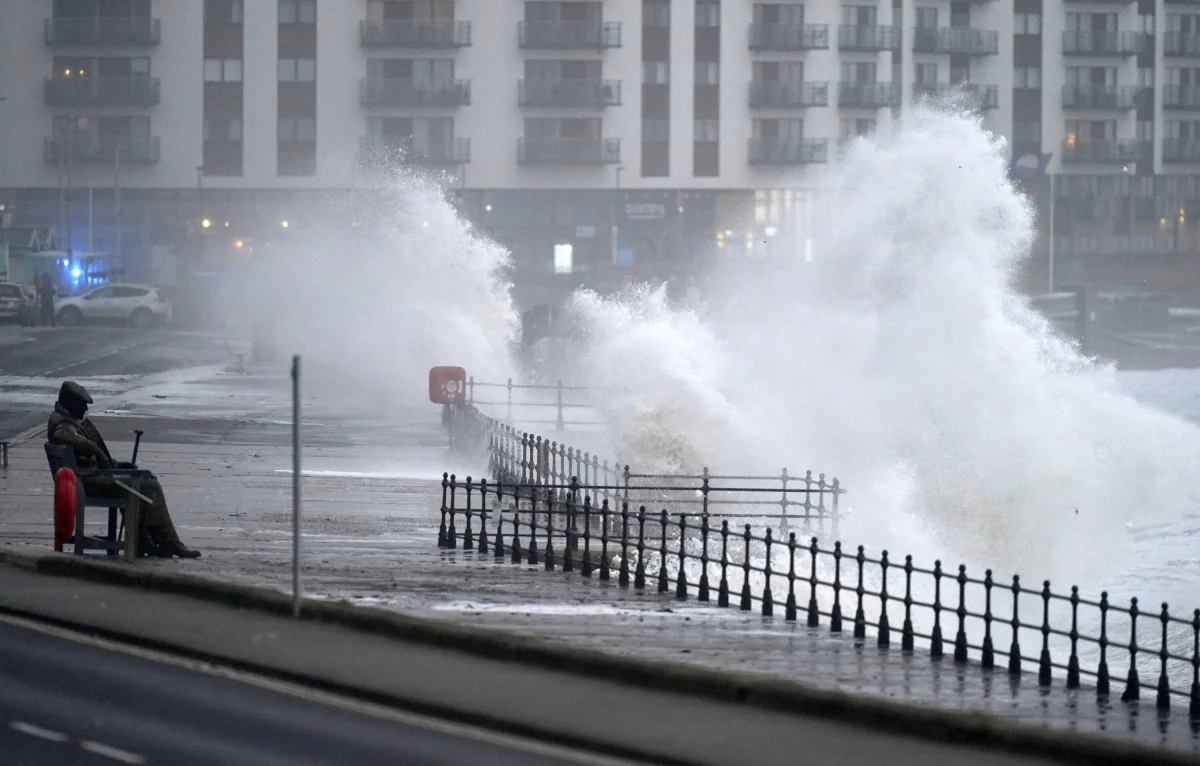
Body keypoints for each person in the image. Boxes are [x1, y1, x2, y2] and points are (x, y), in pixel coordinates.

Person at [47, 381, 201, 558]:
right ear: (71, 403)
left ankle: (145, 540)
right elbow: (62, 435)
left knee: (146, 479)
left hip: (88, 477)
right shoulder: (63, 422)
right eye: (82, 404)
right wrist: (95, 449)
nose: (85, 409)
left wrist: (116, 464)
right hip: (88, 481)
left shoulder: (64, 418)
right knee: (148, 486)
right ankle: (167, 542)